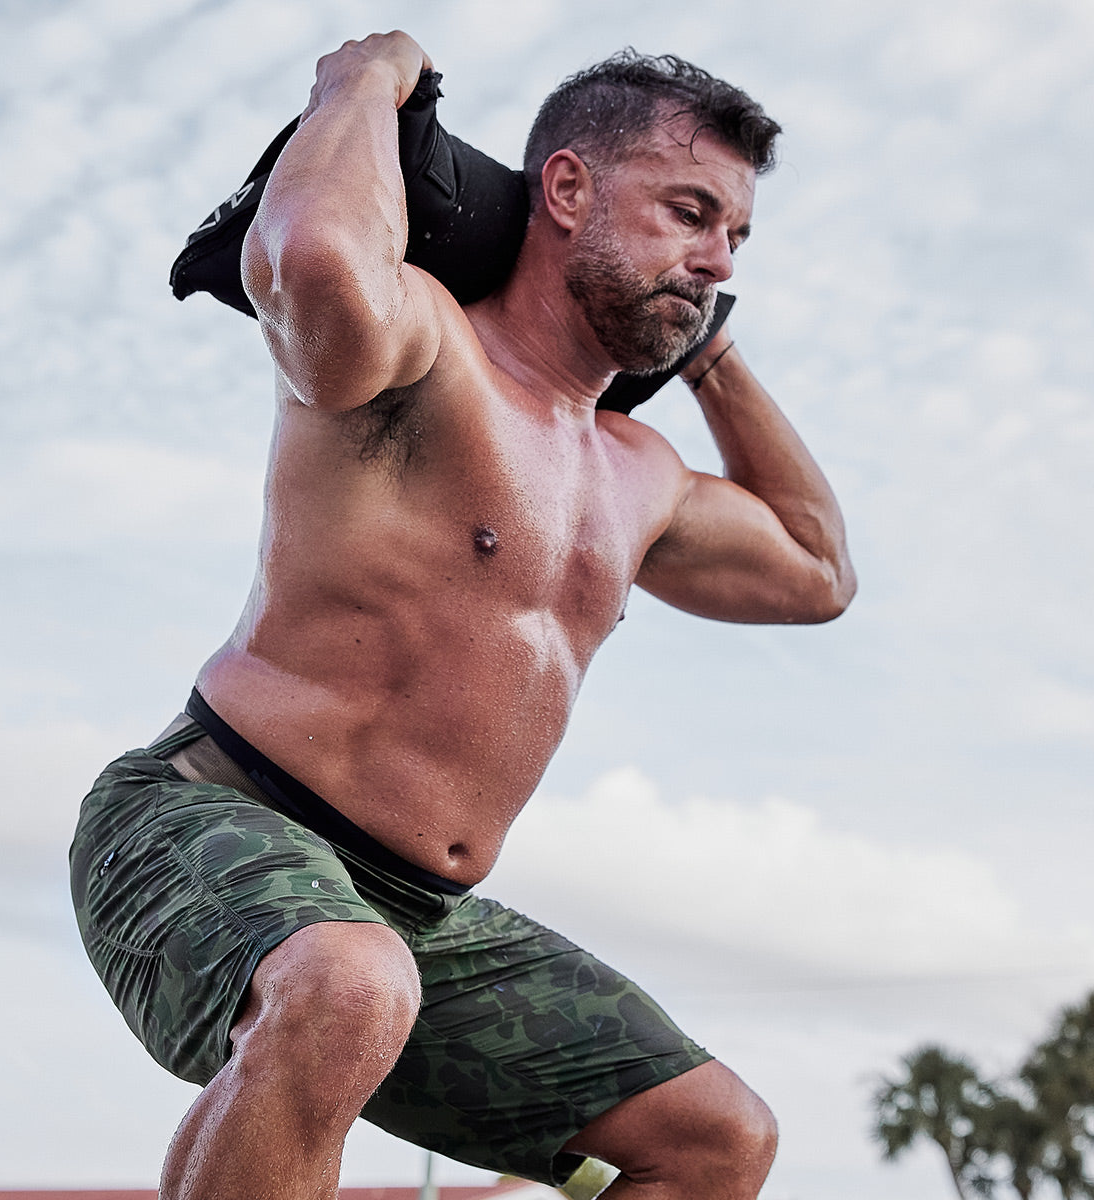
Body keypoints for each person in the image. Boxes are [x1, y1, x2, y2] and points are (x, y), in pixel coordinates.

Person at [71, 30, 855, 1200]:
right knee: (345, 986)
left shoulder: (639, 474)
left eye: (735, 237)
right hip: (204, 816)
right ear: (569, 188)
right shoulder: (425, 344)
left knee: (715, 1140)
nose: (716, 258)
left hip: (421, 919)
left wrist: (709, 342)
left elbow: (814, 570)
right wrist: (363, 81)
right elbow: (314, 263)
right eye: (689, 213)